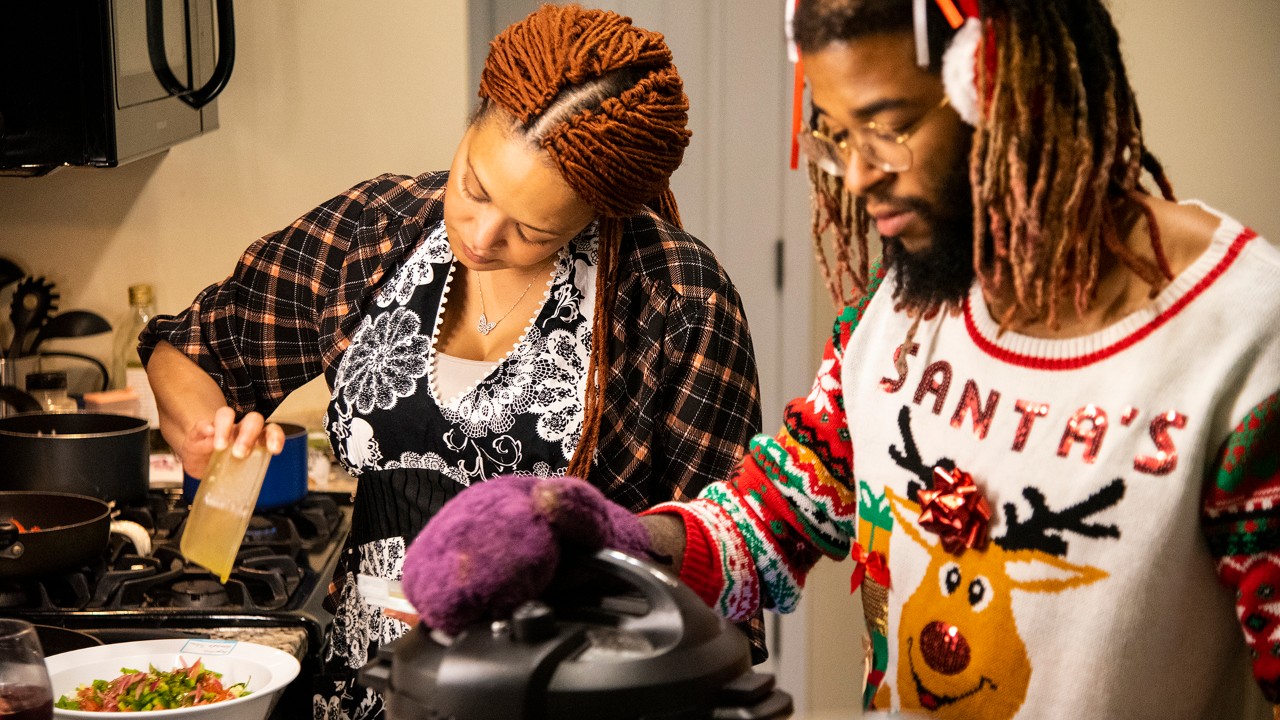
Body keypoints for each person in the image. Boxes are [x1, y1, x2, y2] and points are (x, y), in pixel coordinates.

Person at [402, 0, 1280, 717]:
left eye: (886, 129)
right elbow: (767, 523)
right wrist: (609, 535)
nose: (856, 177)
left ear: (1012, 90)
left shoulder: (1241, 343)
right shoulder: (892, 320)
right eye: (833, 135)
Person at [138, 5, 767, 719]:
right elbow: (192, 346)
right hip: (366, 690)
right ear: (474, 122)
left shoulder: (676, 299)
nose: (480, 233)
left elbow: (725, 564)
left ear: (598, 212)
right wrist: (199, 429)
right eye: (473, 185)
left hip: (559, 697)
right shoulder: (374, 232)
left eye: (532, 231)